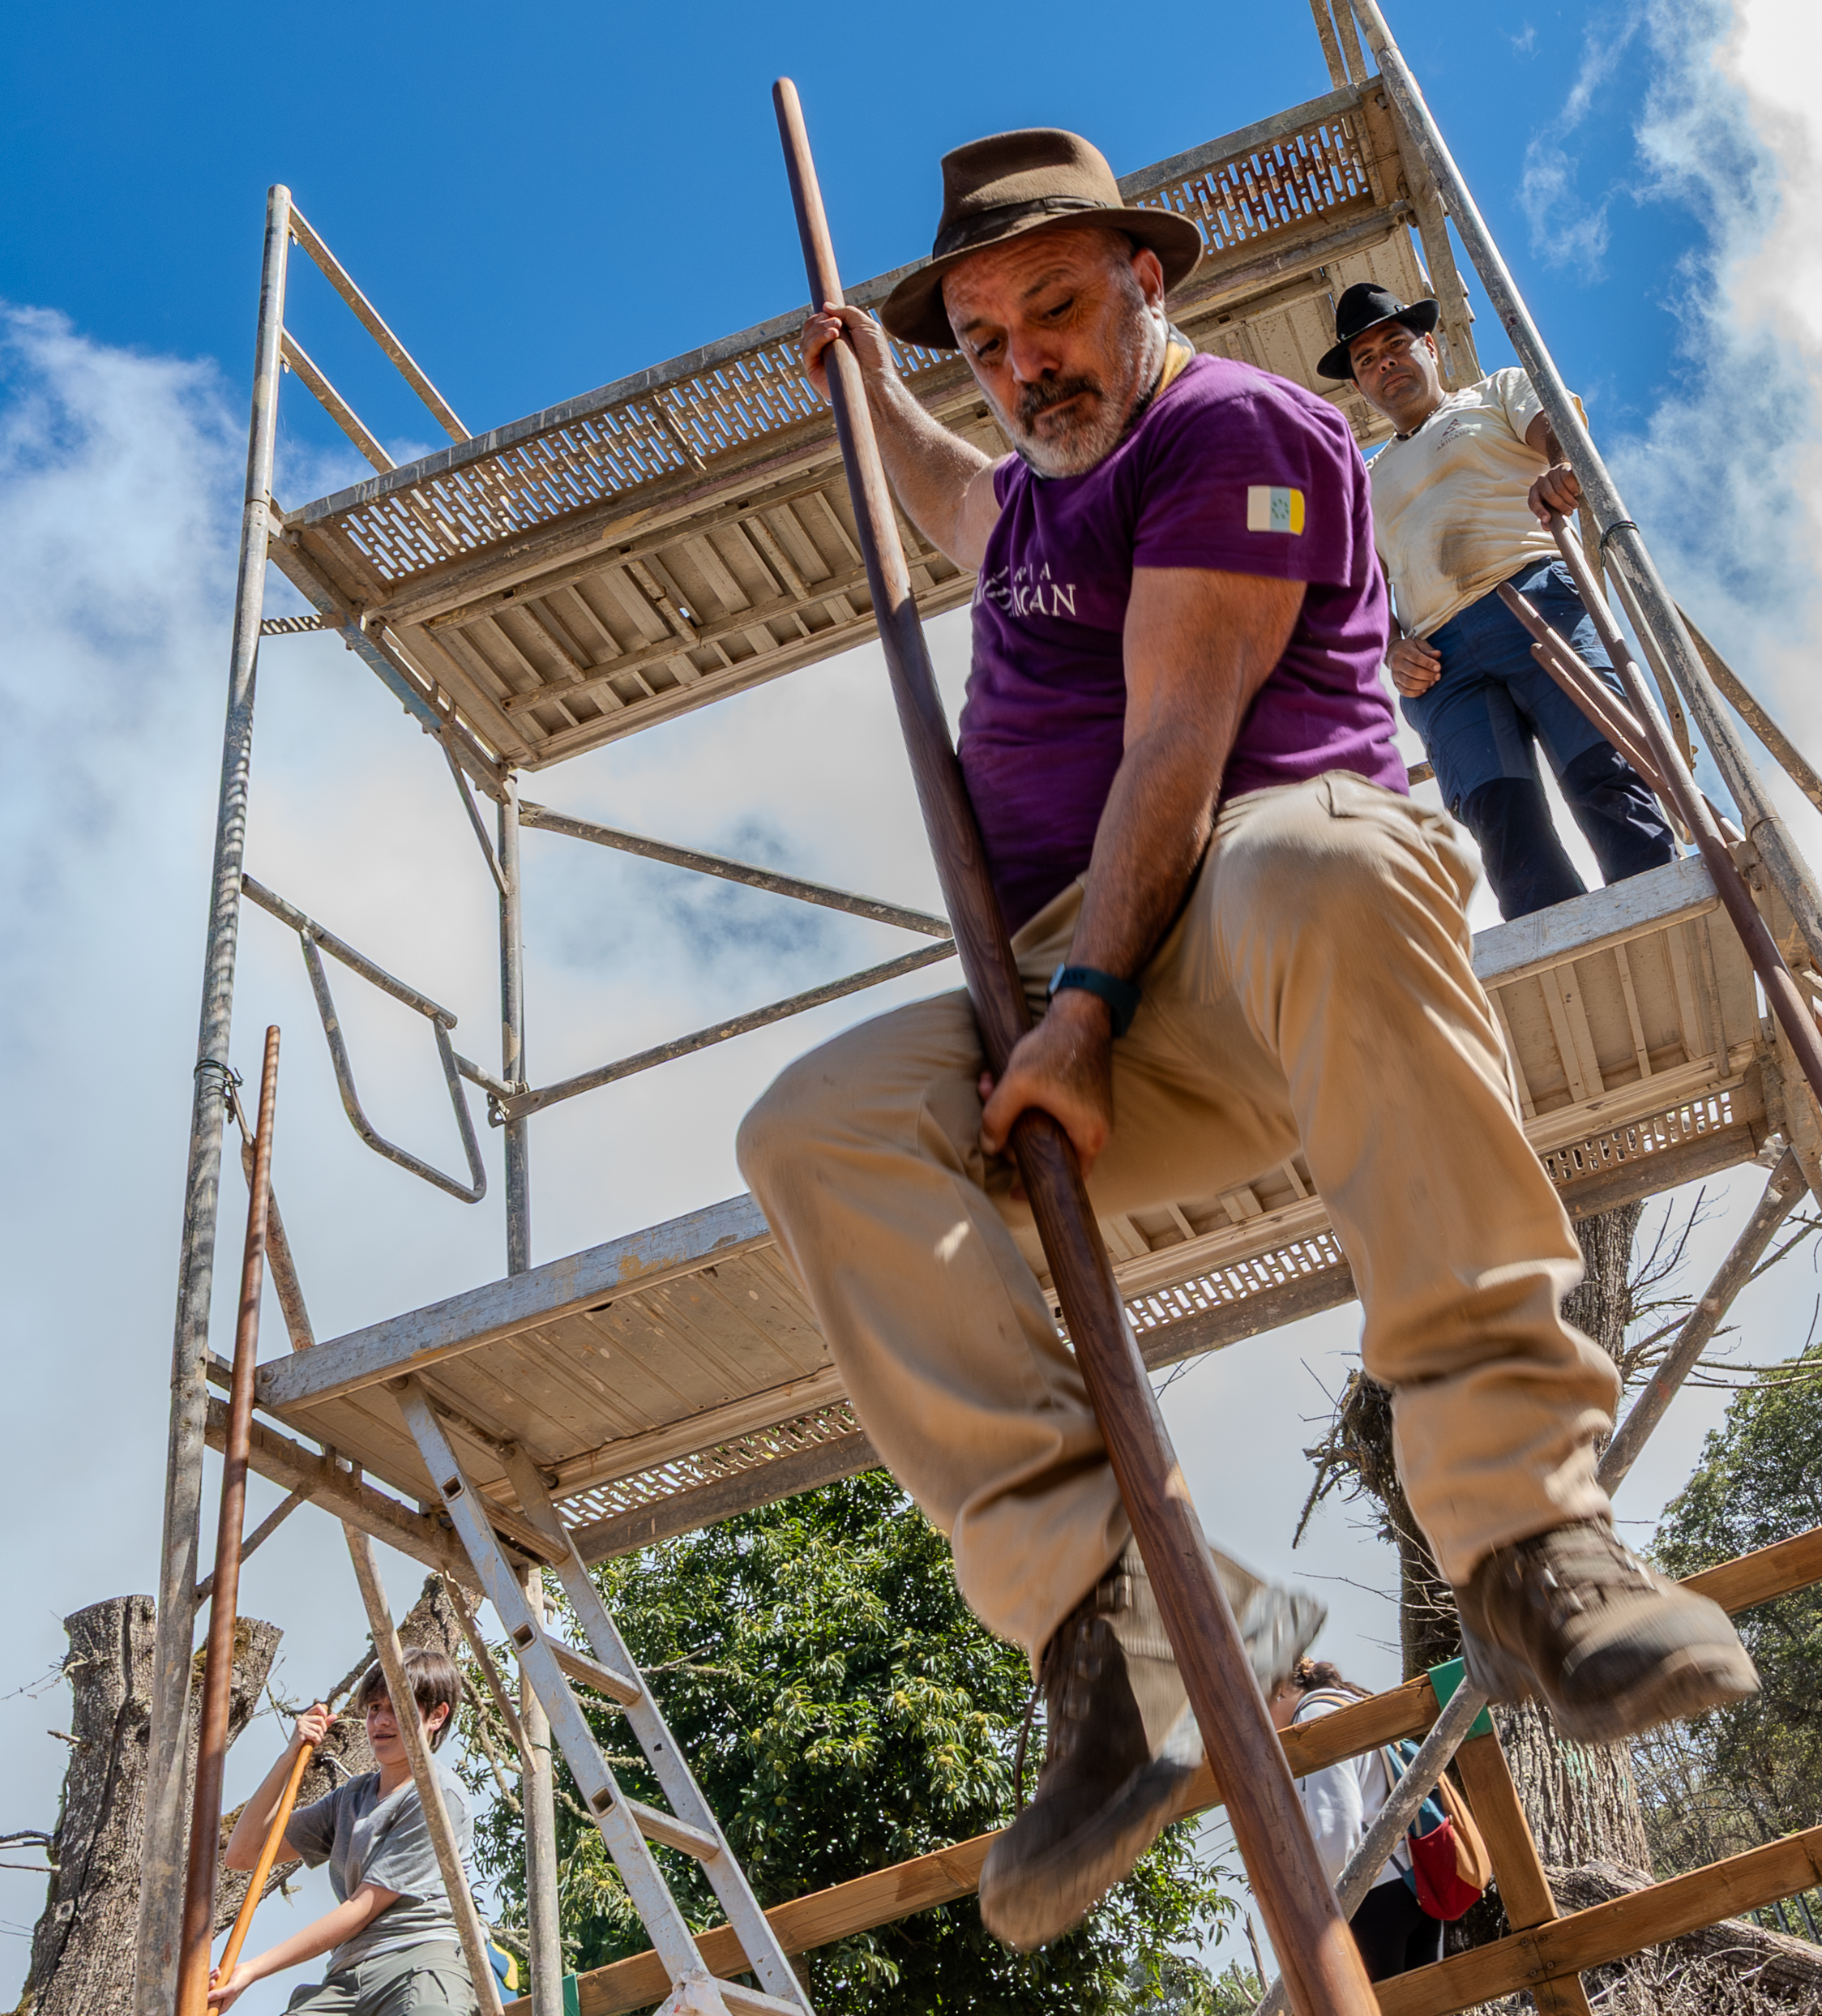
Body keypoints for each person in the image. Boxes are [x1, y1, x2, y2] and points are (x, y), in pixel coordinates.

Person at [740, 126, 1753, 1954]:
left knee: (1318, 859)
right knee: (814, 1121)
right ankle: (1114, 1619)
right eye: (986, 342)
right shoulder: (1032, 493)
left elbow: (1179, 738)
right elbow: (957, 499)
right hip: (1069, 993)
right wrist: (864, 387)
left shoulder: (1241, 431)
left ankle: (1527, 1531)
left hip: (1243, 937)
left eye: (1056, 310)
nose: (1024, 364)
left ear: (1148, 279)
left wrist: (1082, 1011)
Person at [1316, 281, 1675, 920]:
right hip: (1441, 664)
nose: (1385, 363)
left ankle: (1663, 909)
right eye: (1366, 360)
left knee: (1605, 767)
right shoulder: (1364, 480)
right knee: (1502, 820)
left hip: (1535, 602)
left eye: (1396, 345)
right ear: (1359, 385)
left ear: (1430, 347)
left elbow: (1555, 429)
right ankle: (1565, 953)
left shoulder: (1494, 394)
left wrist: (1560, 467)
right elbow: (1359, 585)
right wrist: (1391, 647)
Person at [209, 1648, 477, 2016]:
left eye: (397, 1707)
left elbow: (362, 1908)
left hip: (418, 1959)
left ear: (437, 1716)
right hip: (347, 1976)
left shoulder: (436, 1795)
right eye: (374, 1708)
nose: (381, 1721)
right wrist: (289, 1756)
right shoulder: (351, 1799)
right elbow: (243, 1853)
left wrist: (252, 1970)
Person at [1273, 1659, 1443, 1980]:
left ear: (1280, 1688)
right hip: (1413, 1884)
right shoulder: (1349, 1703)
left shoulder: (1313, 1716)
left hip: (1371, 1895)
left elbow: (1337, 1830)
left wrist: (1308, 1909)